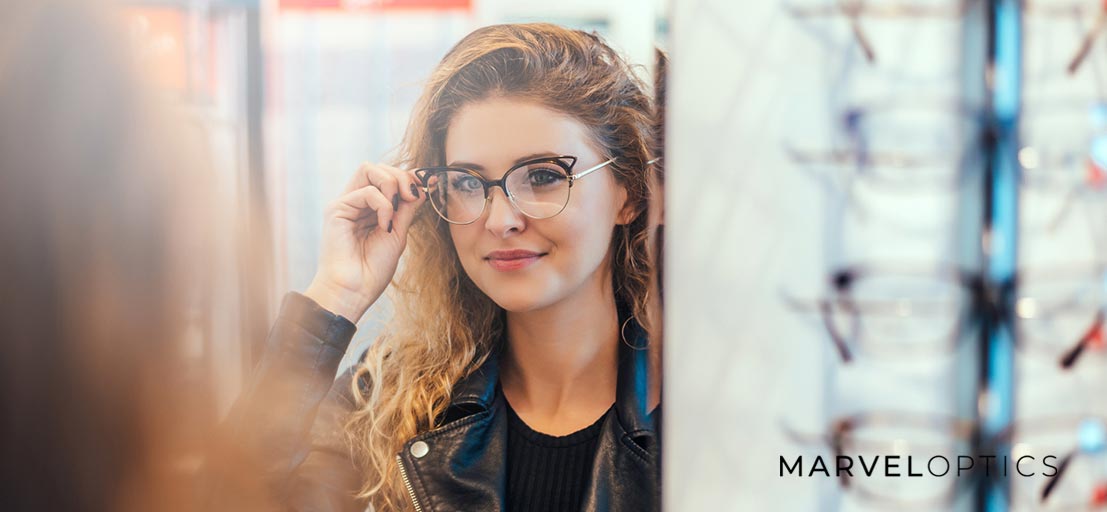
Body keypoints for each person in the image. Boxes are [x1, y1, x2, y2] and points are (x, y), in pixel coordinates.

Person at [230, 22, 663, 512]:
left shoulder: (706, 411)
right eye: (466, 182)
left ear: (628, 192)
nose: (501, 220)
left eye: (543, 177)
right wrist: (336, 294)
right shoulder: (392, 396)